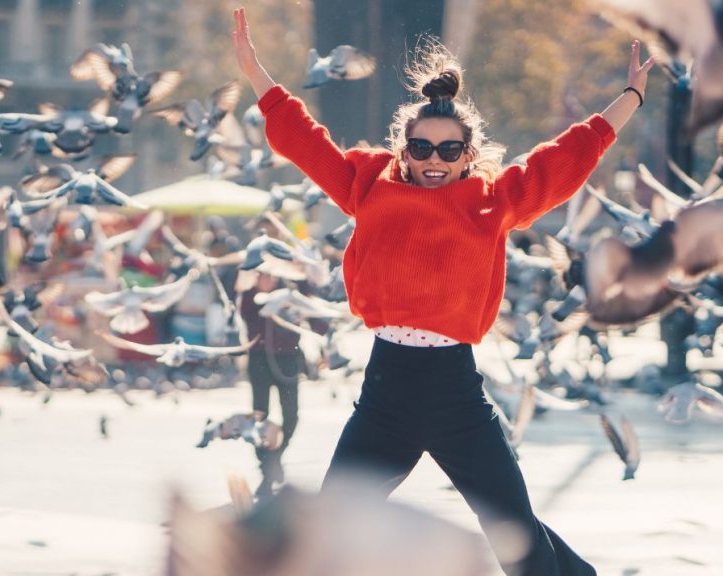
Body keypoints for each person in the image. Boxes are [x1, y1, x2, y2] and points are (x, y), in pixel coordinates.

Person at [232, 7, 652, 576]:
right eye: (422, 148)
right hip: (385, 396)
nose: (434, 160)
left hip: (456, 395)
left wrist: (630, 96)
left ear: (468, 154)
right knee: (331, 528)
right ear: (403, 150)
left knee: (515, 534)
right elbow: (307, 142)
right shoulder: (367, 185)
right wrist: (255, 72)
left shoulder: (494, 201)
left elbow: (565, 158)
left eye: (449, 150)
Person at [238, 271, 305, 498]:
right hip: (260, 360)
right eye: (264, 275)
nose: (268, 280)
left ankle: (276, 456)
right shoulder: (250, 297)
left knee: (291, 414)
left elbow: (311, 315)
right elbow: (242, 309)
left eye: (271, 275)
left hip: (288, 359)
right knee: (260, 416)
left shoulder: (289, 292)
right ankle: (266, 464)